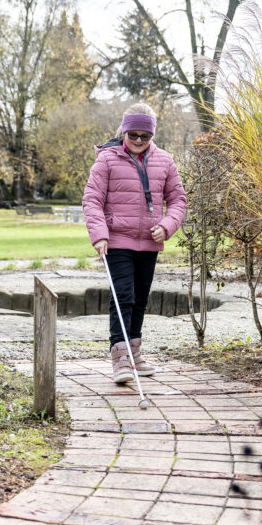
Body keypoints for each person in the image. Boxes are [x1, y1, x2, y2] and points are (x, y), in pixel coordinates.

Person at [83, 103, 187, 384]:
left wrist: (167, 227)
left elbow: (178, 200)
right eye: (134, 135)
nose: (139, 141)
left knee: (140, 299)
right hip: (117, 240)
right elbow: (92, 199)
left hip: (149, 242)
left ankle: (134, 353)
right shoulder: (106, 160)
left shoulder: (165, 161)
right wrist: (100, 234)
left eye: (146, 136)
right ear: (124, 131)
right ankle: (120, 358)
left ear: (152, 135)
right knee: (123, 297)